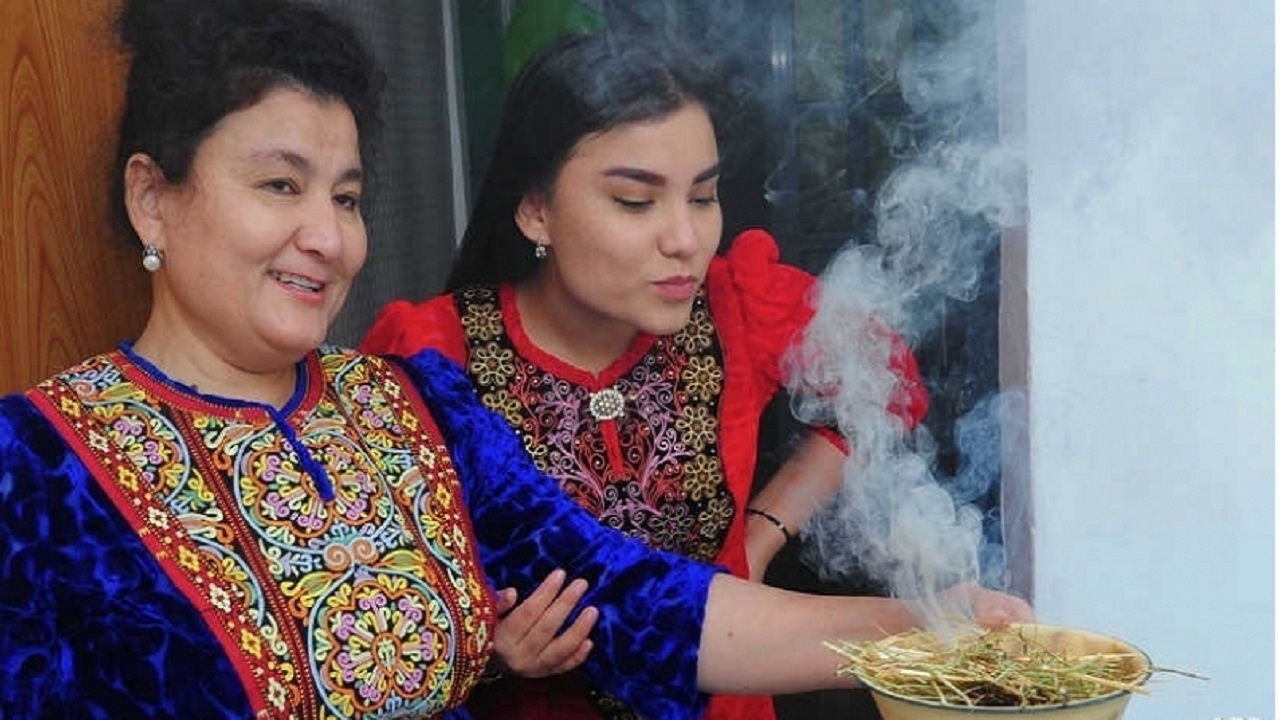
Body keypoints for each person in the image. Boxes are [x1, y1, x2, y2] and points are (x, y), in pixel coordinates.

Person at [0, 3, 1032, 719]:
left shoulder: (411, 405)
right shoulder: (33, 462)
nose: (328, 236)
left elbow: (642, 602)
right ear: (153, 198)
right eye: (281, 186)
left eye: (347, 197)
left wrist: (927, 629)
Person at [361, 29, 932, 720]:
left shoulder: (739, 308)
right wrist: (486, 649)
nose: (684, 240)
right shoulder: (431, 356)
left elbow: (886, 384)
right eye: (636, 202)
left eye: (703, 197)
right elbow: (377, 607)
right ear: (536, 211)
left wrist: (760, 533)